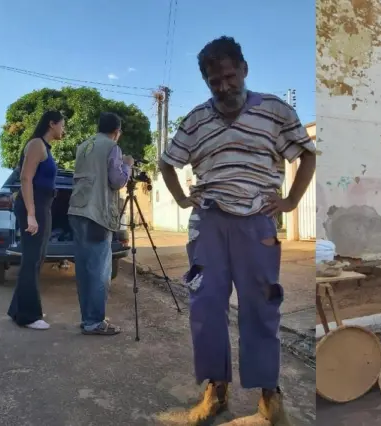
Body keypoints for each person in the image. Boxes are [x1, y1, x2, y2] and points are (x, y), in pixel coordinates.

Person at [158, 36, 315, 425]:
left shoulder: (275, 111)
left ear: (244, 69)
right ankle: (215, 392)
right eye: (215, 82)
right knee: (205, 307)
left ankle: (269, 395)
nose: (224, 87)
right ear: (207, 82)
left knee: (261, 307)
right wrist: (181, 200)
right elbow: (167, 163)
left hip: (256, 225)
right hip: (207, 225)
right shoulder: (196, 119)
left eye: (229, 76)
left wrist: (291, 202)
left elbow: (306, 154)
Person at [67, 112, 133, 336]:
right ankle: (95, 322)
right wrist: (128, 166)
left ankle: (87, 319)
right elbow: (117, 181)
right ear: (117, 132)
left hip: (77, 211)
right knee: (99, 272)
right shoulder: (112, 147)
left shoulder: (83, 146)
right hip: (97, 214)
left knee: (85, 270)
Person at [7, 110, 65, 330]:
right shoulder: (36, 144)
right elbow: (25, 178)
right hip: (34, 206)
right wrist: (31, 213)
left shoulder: (45, 148)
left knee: (38, 258)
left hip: (43, 206)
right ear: (52, 123)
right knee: (31, 259)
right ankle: (29, 316)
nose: (64, 129)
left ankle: (18, 309)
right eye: (62, 124)